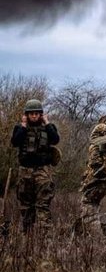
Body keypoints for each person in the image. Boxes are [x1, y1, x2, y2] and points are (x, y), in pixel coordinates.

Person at [10, 99, 61, 232]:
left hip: (43, 170)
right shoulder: (20, 128)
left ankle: (46, 235)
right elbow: (15, 142)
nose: (34, 116)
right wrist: (23, 126)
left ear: (41, 114)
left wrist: (47, 123)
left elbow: (55, 140)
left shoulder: (48, 127)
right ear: (26, 115)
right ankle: (28, 235)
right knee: (26, 205)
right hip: (25, 170)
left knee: (43, 203)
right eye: (31, 113)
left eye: (36, 113)